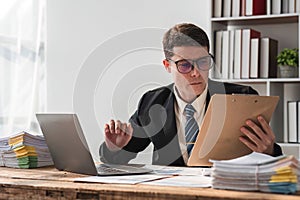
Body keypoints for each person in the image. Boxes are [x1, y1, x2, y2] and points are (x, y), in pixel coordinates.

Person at [99, 23, 282, 166]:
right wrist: (113, 147)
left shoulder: (243, 97)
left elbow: (266, 159)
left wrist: (269, 151)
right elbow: (120, 158)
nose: (196, 73)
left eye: (203, 62)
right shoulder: (152, 101)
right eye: (185, 65)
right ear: (167, 65)